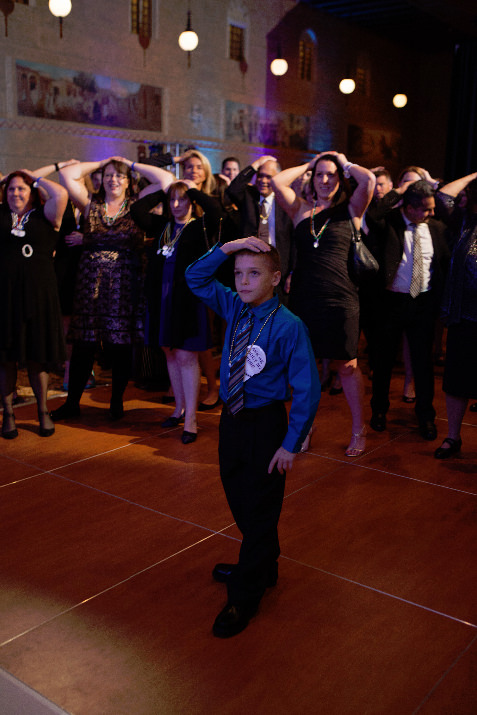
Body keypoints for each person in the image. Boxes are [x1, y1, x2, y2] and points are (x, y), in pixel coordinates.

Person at [185, 236, 320, 638]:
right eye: (238, 274)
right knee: (238, 493)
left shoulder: (290, 326)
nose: (243, 282)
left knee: (261, 507)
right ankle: (262, 562)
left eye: (254, 274)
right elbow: (195, 277)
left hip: (266, 425)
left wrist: (290, 443)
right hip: (233, 419)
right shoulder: (235, 306)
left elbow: (307, 388)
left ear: (275, 278)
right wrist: (228, 248)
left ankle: (244, 595)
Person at [271, 151, 375, 456]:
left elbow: (367, 179)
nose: (325, 180)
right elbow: (278, 181)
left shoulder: (351, 209)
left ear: (340, 177)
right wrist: (310, 163)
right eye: (320, 174)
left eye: (331, 174)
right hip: (305, 296)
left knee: (346, 366)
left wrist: (343, 160)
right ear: (311, 179)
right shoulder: (300, 209)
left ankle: (359, 430)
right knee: (308, 368)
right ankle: (306, 426)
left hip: (342, 298)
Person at [51, 156, 166, 423]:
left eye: (119, 175)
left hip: (125, 284)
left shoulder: (138, 204)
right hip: (91, 283)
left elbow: (165, 180)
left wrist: (130, 163)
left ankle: (116, 402)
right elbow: (67, 176)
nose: (113, 179)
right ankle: (72, 403)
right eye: (108, 175)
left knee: (120, 345)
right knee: (84, 344)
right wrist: (103, 161)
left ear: (129, 181)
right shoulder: (92, 204)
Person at [131, 177, 222, 443]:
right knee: (169, 353)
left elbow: (215, 208)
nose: (175, 204)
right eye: (172, 200)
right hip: (161, 298)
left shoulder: (200, 225)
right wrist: (164, 191)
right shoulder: (162, 225)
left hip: (187, 300)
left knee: (186, 357)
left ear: (192, 202)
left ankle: (191, 419)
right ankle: (179, 409)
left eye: (181, 199)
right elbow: (137, 211)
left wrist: (190, 189)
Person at [370, 180, 449, 440]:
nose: (431, 213)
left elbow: (442, 266)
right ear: (410, 207)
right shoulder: (389, 223)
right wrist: (400, 191)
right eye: (426, 209)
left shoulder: (436, 228)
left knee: (422, 364)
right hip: (391, 303)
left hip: (422, 303)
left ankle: (426, 416)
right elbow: (374, 214)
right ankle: (379, 411)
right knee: (383, 362)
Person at [0, 170, 68, 438]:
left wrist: (34, 177)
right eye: (10, 189)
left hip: (39, 295)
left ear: (32, 192)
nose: (15, 194)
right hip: (5, 294)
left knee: (38, 357)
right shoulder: (1, 214)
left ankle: (42, 411)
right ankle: (8, 414)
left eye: (21, 189)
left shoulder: (47, 214)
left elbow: (61, 193)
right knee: (4, 358)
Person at [433, 171, 477, 458]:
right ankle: (453, 437)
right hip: (464, 315)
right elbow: (444, 194)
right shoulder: (465, 223)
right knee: (457, 380)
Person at [226, 154, 295, 303]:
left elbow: (294, 242)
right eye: (260, 176)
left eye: (268, 177)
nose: (263, 181)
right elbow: (233, 189)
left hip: (277, 273)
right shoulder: (248, 197)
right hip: (248, 271)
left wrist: (292, 272)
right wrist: (255, 165)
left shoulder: (286, 203)